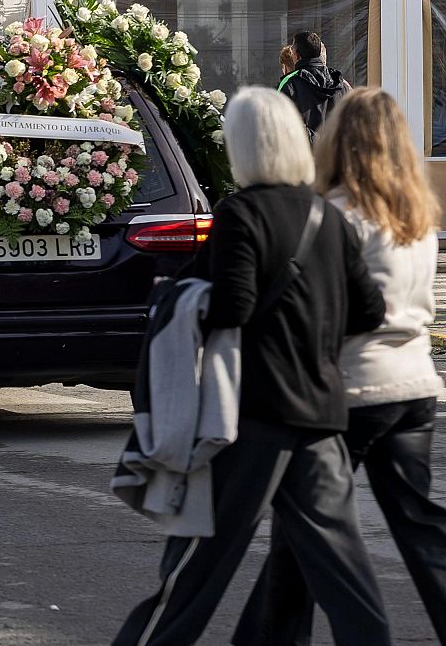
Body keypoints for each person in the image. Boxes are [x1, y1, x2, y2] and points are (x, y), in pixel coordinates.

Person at [111, 86, 389, 646]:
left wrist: (180, 300)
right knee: (344, 571)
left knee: (198, 562)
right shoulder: (328, 216)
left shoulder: (240, 213)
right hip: (321, 415)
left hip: (253, 418)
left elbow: (233, 305)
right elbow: (370, 310)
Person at [233, 87, 446, 646]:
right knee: (419, 524)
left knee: (306, 530)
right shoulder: (418, 218)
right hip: (416, 386)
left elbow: (328, 309)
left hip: (350, 390)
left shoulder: (334, 214)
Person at [277, 32, 350, 136]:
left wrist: (316, 142)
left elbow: (282, 124)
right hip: (336, 150)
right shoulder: (340, 83)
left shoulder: (290, 83)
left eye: (292, 51)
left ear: (297, 56)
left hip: (303, 151)